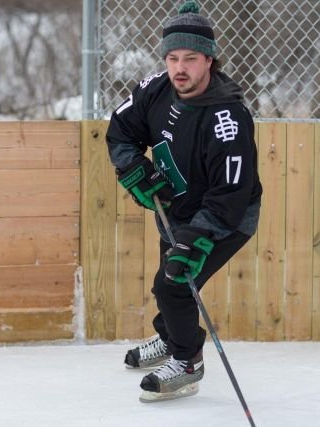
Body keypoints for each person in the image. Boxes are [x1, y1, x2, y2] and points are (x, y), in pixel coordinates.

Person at [105, 0, 262, 402]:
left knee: (173, 284)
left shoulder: (227, 119)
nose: (180, 68)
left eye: (190, 58)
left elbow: (231, 192)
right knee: (170, 283)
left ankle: (188, 363)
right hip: (174, 206)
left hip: (225, 217)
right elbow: (121, 130)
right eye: (173, 57)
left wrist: (197, 237)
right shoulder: (156, 88)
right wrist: (133, 171)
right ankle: (173, 337)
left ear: (209, 59)